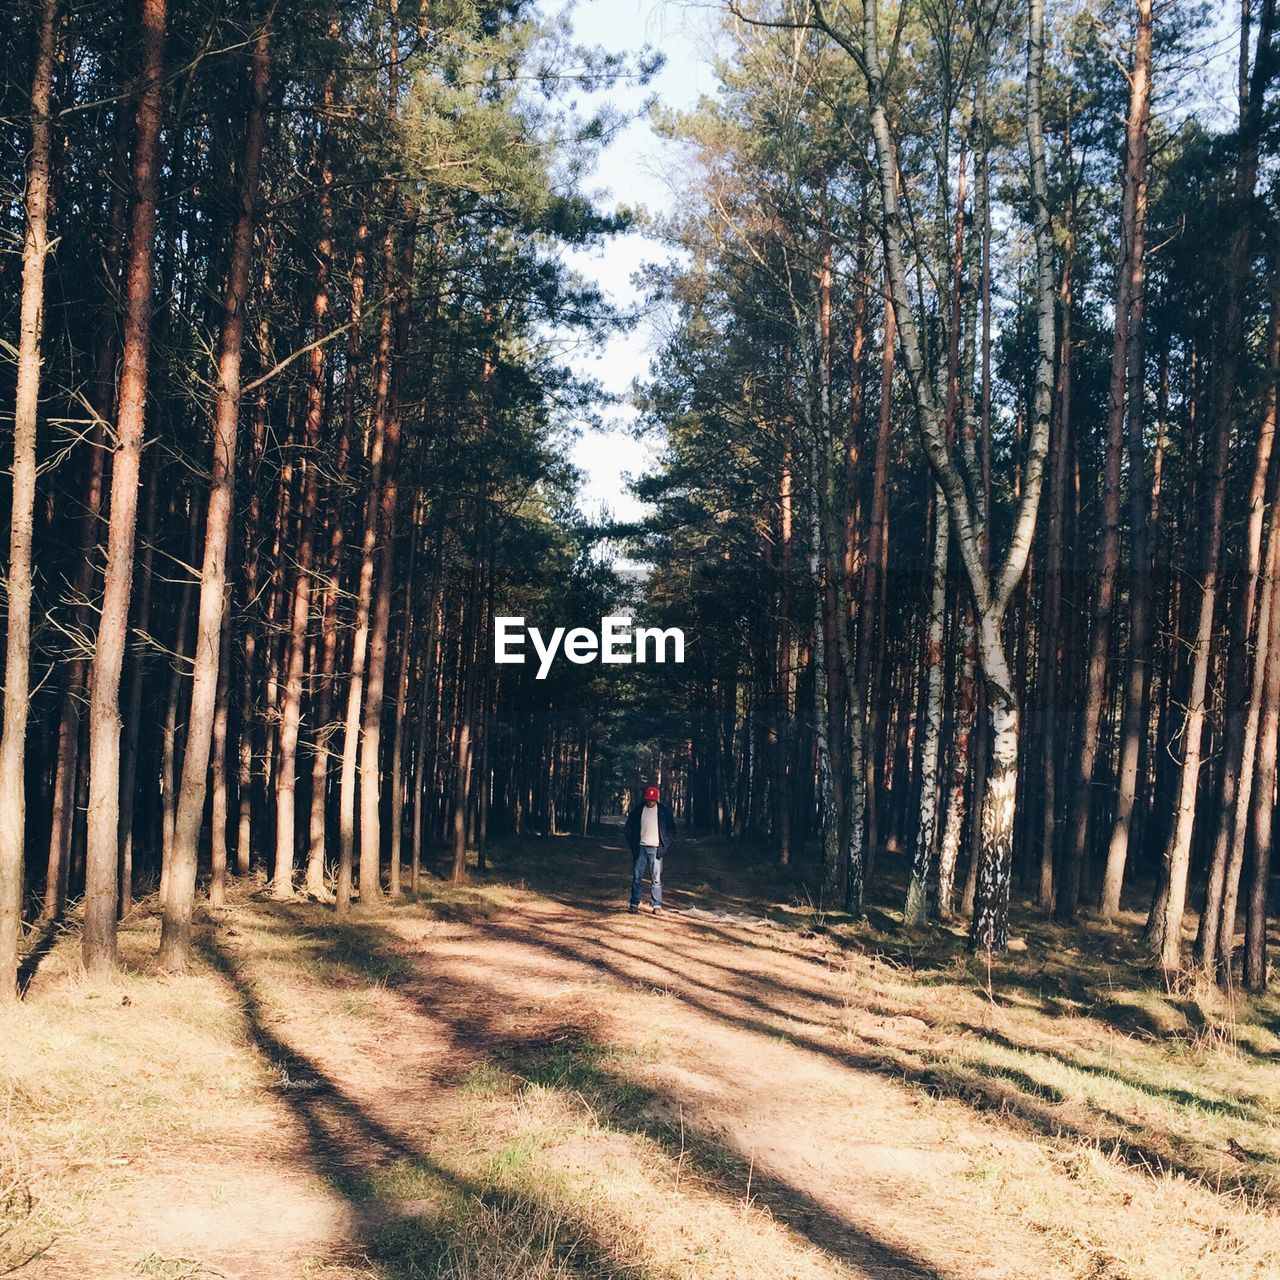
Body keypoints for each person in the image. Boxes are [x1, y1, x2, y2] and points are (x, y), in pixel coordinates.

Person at [623, 784, 676, 913]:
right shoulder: (638, 810)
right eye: (648, 799)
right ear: (645, 798)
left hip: (656, 850)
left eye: (653, 800)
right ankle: (634, 904)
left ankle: (656, 905)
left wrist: (665, 845)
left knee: (656, 879)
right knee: (637, 878)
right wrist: (632, 843)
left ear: (657, 799)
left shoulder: (663, 811)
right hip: (640, 848)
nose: (650, 802)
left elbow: (672, 830)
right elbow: (628, 828)